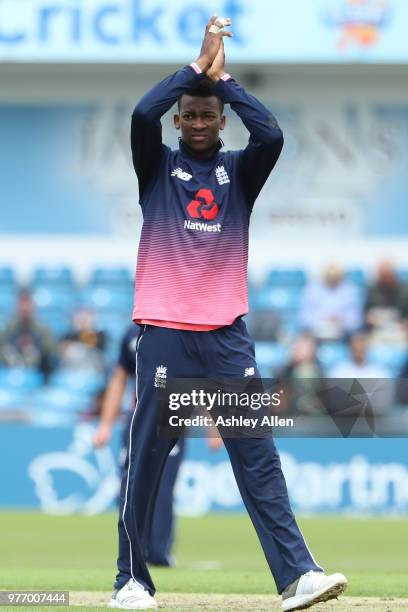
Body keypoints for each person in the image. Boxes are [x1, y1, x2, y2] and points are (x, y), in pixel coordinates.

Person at [108, 16, 347, 612]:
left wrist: (225, 80)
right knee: (148, 454)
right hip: (163, 332)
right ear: (178, 119)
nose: (195, 123)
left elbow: (271, 135)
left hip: (226, 337)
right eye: (187, 114)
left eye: (206, 114)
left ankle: (297, 576)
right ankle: (131, 581)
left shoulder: (241, 172)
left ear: (220, 121)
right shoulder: (156, 168)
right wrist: (195, 68)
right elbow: (141, 115)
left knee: (257, 455)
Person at [94, 324, 185, 567]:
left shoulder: (182, 330)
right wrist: (105, 424)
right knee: (130, 486)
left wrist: (213, 425)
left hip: (171, 419)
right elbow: (119, 378)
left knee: (163, 487)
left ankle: (158, 552)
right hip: (137, 421)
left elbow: (202, 377)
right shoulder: (132, 335)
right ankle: (134, 551)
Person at [0, 290, 55, 378]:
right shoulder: (9, 328)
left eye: (27, 304)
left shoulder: (42, 329)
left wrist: (34, 349)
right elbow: (2, 347)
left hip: (37, 371)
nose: (24, 308)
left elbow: (49, 349)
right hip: (10, 369)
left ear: (33, 307)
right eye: (22, 305)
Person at [299, 264, 362, 341]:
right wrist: (324, 319)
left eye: (335, 278)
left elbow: (355, 321)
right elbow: (305, 319)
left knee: (358, 340)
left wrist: (340, 319)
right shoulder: (312, 290)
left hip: (344, 334)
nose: (333, 280)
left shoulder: (349, 291)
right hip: (316, 333)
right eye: (330, 277)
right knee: (304, 342)